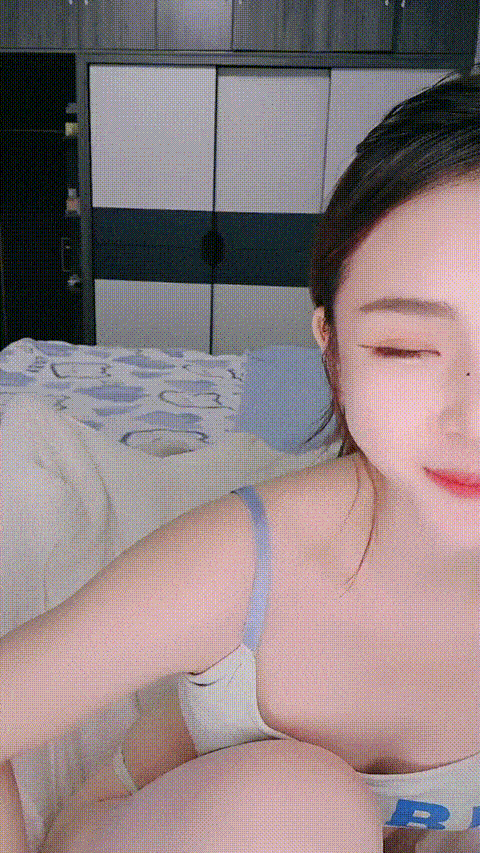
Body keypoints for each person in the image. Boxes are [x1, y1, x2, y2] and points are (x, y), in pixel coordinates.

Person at [2, 65, 480, 853]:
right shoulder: (241, 565)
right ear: (332, 347)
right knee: (303, 808)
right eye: (406, 347)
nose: (471, 417)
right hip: (140, 829)